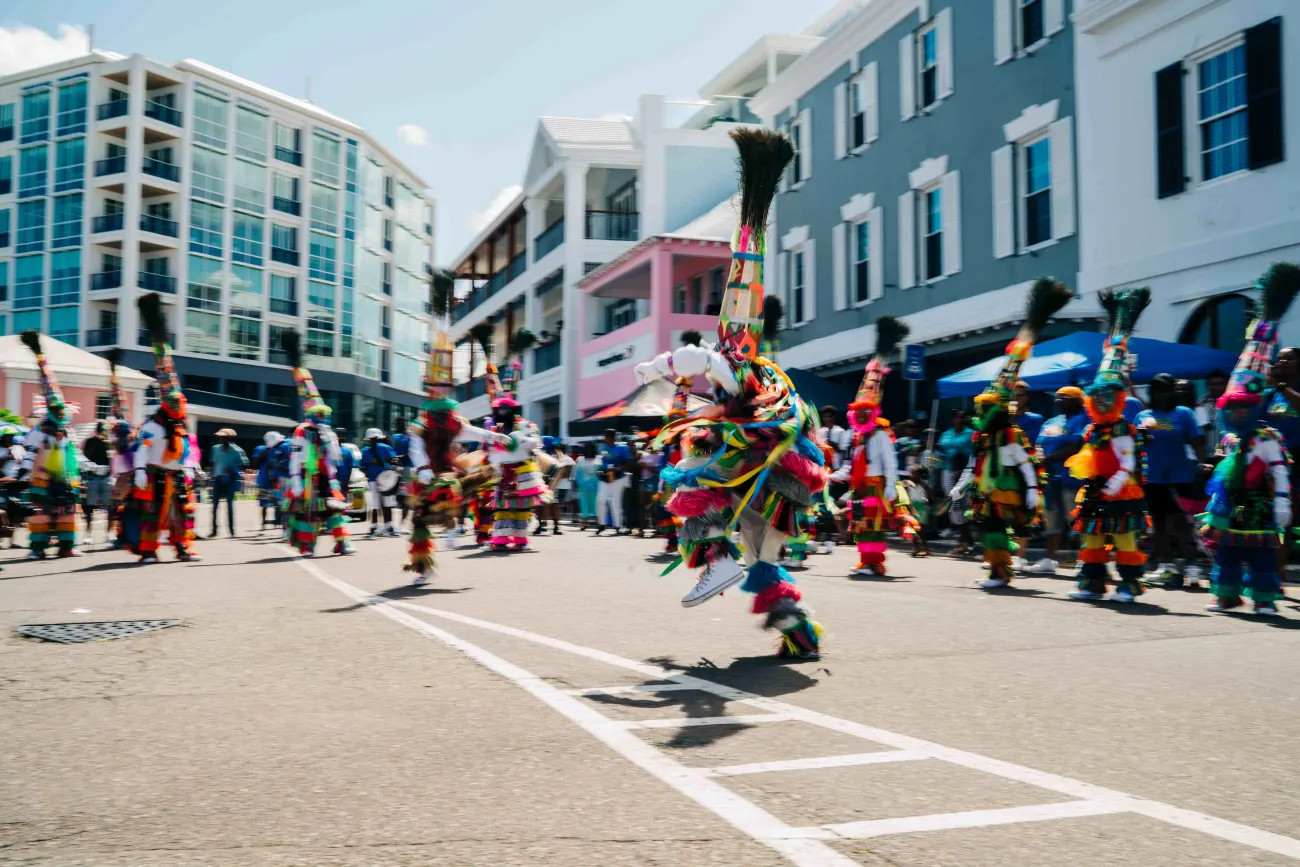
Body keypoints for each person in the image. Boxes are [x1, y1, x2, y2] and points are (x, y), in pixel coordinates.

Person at [637, 128, 826, 659]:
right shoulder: (766, 377)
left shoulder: (739, 369)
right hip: (779, 481)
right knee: (764, 555)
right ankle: (799, 632)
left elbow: (704, 359)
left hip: (755, 471)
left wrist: (654, 366)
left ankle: (717, 564)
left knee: (691, 489)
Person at [950, 279, 1069, 589]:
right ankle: (996, 570)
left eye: (984, 411)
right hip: (987, 492)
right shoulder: (985, 437)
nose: (979, 417)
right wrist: (962, 486)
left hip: (1006, 491)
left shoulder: (1009, 436)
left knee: (996, 529)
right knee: (989, 529)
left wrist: (1031, 489)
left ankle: (1001, 573)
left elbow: (1027, 462)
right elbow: (973, 464)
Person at [1202, 264, 1300, 616]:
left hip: (1260, 501)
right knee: (1226, 549)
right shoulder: (1231, 437)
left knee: (1261, 550)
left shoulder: (1266, 435)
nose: (1238, 415)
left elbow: (1278, 469)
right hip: (1229, 501)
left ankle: (1264, 598)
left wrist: (1282, 503)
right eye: (1233, 408)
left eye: (1243, 408)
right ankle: (1226, 594)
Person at [403, 328, 511, 584]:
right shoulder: (422, 421)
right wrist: (422, 467)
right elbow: (415, 447)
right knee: (419, 520)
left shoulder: (452, 419)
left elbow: (469, 432)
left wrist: (494, 437)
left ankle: (453, 526)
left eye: (445, 387)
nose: (442, 391)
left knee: (456, 488)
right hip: (426, 475)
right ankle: (423, 567)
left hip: (448, 472)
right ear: (431, 390)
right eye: (438, 387)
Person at [1066, 288, 1152, 603]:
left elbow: (1128, 463)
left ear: (1117, 399)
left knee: (1125, 538)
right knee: (1092, 536)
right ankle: (1092, 583)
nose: (1101, 402)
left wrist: (1113, 484)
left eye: (1107, 397)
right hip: (1095, 488)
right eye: (1097, 396)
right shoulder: (1091, 429)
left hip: (1121, 489)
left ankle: (1129, 586)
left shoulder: (1122, 428)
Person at [832, 316, 918, 577]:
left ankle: (874, 563)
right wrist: (830, 476)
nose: (859, 415)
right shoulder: (856, 436)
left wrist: (891, 486)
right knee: (861, 524)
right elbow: (849, 464)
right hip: (859, 486)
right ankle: (865, 559)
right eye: (857, 411)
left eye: (864, 411)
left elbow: (890, 461)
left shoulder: (879, 434)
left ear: (873, 411)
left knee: (873, 525)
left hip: (876, 485)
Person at [132, 294, 199, 564]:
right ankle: (148, 551)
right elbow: (142, 449)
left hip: (177, 475)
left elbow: (187, 449)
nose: (178, 404)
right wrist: (139, 469)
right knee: (152, 513)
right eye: (173, 401)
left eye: (179, 401)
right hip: (155, 475)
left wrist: (192, 467)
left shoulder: (180, 425)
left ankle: (182, 548)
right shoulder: (153, 426)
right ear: (164, 403)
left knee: (182, 512)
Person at [280, 329, 354, 557]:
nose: (323, 417)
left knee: (334, 510)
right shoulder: (301, 432)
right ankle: (306, 546)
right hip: (305, 477)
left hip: (326, 477)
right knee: (307, 513)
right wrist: (295, 480)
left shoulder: (327, 431)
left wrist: (328, 437)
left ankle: (342, 543)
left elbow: (336, 456)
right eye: (319, 414)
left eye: (324, 414)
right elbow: (295, 457)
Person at [18, 330, 83, 559]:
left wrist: (88, 468)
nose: (60, 412)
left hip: (65, 476)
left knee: (67, 512)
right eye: (55, 409)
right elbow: (30, 451)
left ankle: (66, 546)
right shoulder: (40, 432)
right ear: (49, 410)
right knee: (41, 513)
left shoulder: (67, 432)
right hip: (42, 477)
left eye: (61, 409)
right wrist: (25, 470)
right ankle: (37, 549)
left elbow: (75, 454)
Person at [1136, 374, 1206, 585]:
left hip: (1180, 476)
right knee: (1158, 522)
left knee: (1181, 522)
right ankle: (1165, 566)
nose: (1161, 394)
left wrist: (1202, 464)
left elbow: (1197, 441)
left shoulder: (1183, 413)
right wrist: (1143, 434)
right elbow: (1139, 445)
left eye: (1165, 389)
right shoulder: (1142, 415)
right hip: (1152, 477)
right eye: (1157, 389)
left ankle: (1192, 568)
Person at [483, 354, 551, 551]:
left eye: (506, 407)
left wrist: (523, 439)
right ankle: (501, 539)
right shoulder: (493, 427)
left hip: (523, 471)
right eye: (500, 407)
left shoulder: (526, 425)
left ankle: (520, 539)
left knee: (521, 506)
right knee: (503, 507)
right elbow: (489, 448)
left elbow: (536, 443)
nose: (503, 410)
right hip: (502, 472)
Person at [1028, 386, 1089, 574]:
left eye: (1064, 397)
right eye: (1057, 398)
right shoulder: (1052, 421)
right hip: (1050, 478)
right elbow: (1039, 443)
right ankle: (1049, 559)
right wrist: (1039, 459)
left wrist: (1049, 458)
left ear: (1077, 401)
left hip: (1073, 479)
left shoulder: (1085, 419)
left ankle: (1085, 560)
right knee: (1051, 519)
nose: (1058, 401)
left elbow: (1077, 445)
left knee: (1077, 520)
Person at [208, 428, 248, 537]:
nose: (220, 438)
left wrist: (232, 469)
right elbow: (214, 463)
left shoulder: (237, 451)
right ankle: (214, 530)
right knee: (214, 506)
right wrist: (211, 476)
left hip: (230, 480)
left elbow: (243, 465)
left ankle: (231, 531)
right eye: (219, 436)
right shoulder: (215, 449)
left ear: (229, 438)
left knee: (230, 506)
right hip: (217, 479)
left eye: (223, 437)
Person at [360, 428, 399, 536]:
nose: (373, 441)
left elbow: (394, 460)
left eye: (375, 439)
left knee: (387, 503)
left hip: (385, 479)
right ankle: (374, 527)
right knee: (375, 504)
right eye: (371, 439)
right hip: (373, 479)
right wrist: (365, 471)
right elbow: (361, 466)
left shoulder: (385, 448)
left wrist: (391, 467)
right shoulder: (365, 451)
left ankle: (389, 526)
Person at [595, 429, 633, 535]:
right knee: (600, 500)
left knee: (616, 502)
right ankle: (602, 524)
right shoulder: (605, 448)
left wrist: (620, 468)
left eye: (605, 437)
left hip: (618, 478)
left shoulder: (622, 448)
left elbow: (629, 462)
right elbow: (603, 461)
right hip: (605, 477)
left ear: (610, 437)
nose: (604, 439)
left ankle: (618, 526)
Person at [534, 436, 573, 535]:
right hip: (554, 483)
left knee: (541, 505)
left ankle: (541, 525)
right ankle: (555, 527)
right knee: (554, 504)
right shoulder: (557, 454)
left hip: (542, 482)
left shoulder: (542, 454)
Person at [80, 421, 112, 541]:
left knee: (110, 506)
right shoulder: (90, 442)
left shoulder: (109, 443)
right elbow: (86, 457)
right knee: (89, 507)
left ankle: (108, 534)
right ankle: (88, 535)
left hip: (106, 477)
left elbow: (112, 459)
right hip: (92, 476)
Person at [937, 410, 974, 510]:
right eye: (958, 417)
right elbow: (941, 454)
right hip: (947, 470)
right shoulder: (945, 434)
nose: (961, 420)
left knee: (964, 499)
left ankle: (963, 524)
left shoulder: (971, 434)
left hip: (964, 472)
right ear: (953, 419)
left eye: (963, 417)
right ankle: (954, 523)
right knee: (950, 498)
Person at [252, 431, 287, 532]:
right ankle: (263, 524)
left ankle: (279, 524)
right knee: (263, 504)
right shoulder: (260, 449)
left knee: (279, 504)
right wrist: (266, 450)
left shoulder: (280, 449)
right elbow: (255, 462)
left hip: (277, 480)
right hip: (264, 480)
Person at [1195, 369, 1230, 457]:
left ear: (1227, 384)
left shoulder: (1234, 404)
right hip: (1207, 457)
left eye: (1219, 384)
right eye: (1212, 384)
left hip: (1228, 456)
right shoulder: (1201, 404)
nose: (1216, 387)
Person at [575, 441, 600, 529]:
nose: (589, 450)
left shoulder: (599, 459)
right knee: (583, 504)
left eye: (591, 448)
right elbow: (576, 473)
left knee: (596, 504)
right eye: (587, 448)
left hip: (595, 486)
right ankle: (583, 523)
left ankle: (598, 523)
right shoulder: (580, 460)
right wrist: (577, 483)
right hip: (583, 486)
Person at [390, 418, 411, 524]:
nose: (400, 425)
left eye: (402, 423)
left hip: (408, 467)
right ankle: (390, 523)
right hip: (396, 467)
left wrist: (401, 457)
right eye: (398, 423)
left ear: (406, 424)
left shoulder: (410, 436)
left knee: (406, 494)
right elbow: (391, 451)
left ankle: (404, 521)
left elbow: (411, 450)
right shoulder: (394, 437)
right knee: (393, 494)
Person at [1013, 381, 1045, 447]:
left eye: (1019, 395)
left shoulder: (1035, 418)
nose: (1015, 398)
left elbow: (1026, 440)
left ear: (1027, 398)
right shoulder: (1002, 418)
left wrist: (1011, 418)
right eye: (1013, 395)